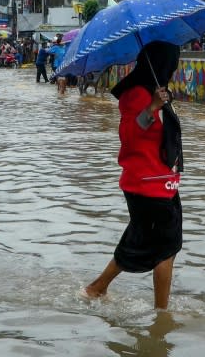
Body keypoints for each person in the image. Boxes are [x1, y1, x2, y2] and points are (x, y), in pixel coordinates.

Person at [84, 42, 184, 310]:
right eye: (172, 65)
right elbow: (130, 134)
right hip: (150, 186)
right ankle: (162, 314)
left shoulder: (151, 91)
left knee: (138, 240)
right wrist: (152, 107)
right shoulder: (138, 95)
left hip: (159, 183)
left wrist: (159, 103)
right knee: (166, 248)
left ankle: (96, 288)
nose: (173, 71)